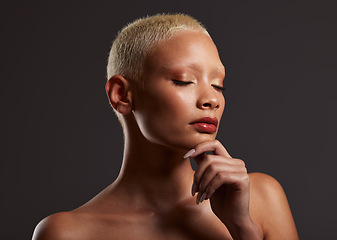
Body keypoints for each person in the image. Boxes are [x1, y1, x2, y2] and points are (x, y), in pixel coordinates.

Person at [32, 13, 299, 240]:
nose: (212, 99)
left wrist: (242, 229)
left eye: (218, 85)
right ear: (121, 95)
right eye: (184, 80)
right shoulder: (67, 233)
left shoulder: (261, 198)